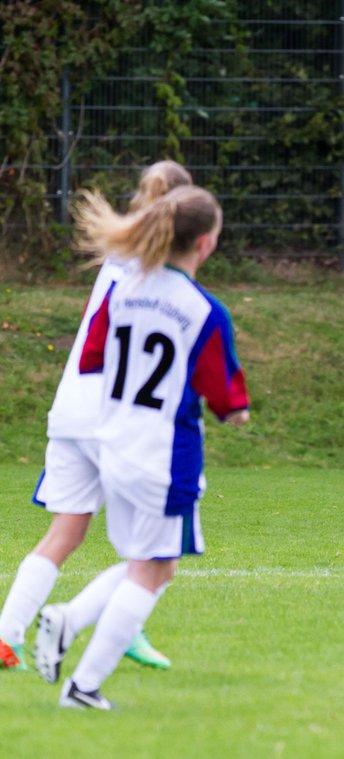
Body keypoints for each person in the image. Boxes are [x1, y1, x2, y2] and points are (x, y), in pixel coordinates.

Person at [32, 184, 250, 710]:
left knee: (153, 562)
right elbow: (229, 402)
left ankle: (69, 621)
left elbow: (91, 359)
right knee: (153, 569)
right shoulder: (203, 311)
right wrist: (235, 410)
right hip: (163, 456)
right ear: (205, 244)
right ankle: (83, 686)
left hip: (113, 445)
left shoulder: (123, 292)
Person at [0, 161, 193, 675]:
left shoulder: (119, 252)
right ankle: (105, 625)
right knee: (155, 552)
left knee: (65, 533)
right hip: (118, 417)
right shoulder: (165, 272)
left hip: (71, 410)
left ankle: (5, 636)